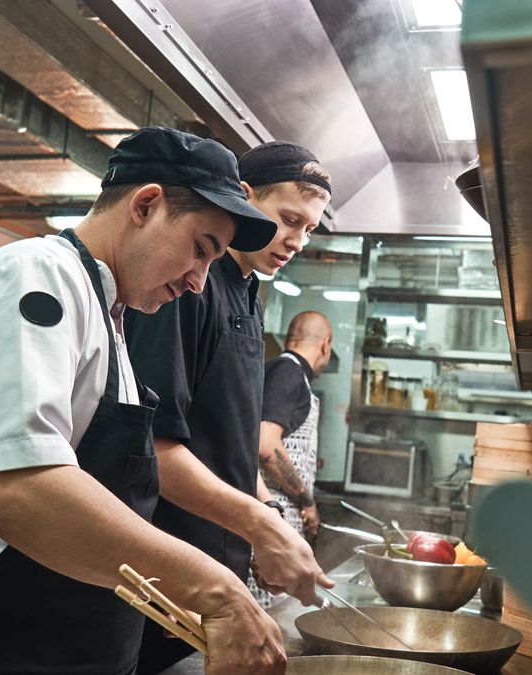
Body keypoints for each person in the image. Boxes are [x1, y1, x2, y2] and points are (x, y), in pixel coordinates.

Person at [0, 127, 288, 675]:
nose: (200, 282)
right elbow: (18, 487)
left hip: (66, 644)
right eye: (200, 250)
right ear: (147, 204)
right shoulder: (34, 274)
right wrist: (217, 591)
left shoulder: (110, 315)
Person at [125, 141, 334, 673]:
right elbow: (154, 447)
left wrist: (265, 521)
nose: (297, 241)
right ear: (243, 199)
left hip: (215, 575)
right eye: (289, 219)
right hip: (164, 572)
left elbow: (231, 441)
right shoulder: (184, 286)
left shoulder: (249, 294)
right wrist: (262, 529)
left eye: (309, 229)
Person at [251, 311, 333, 608]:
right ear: (325, 345)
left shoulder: (283, 371)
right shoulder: (288, 372)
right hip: (270, 516)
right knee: (265, 614)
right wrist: (306, 500)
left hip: (275, 521)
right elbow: (266, 446)